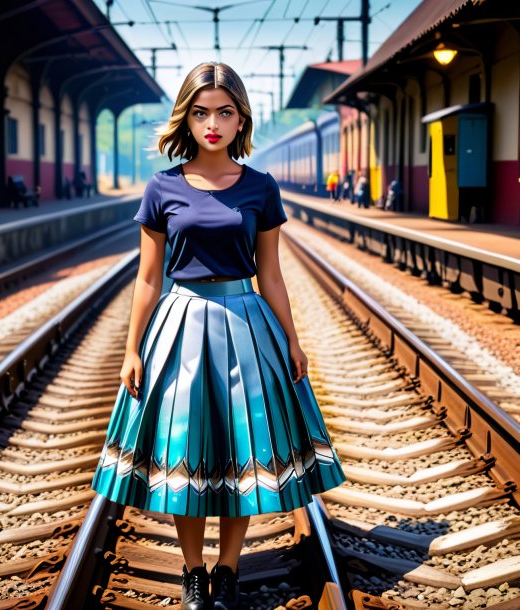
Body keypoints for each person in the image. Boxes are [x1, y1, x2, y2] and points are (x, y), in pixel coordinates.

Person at [91, 61, 346, 610]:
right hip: (179, 325)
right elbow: (147, 277)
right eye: (202, 112)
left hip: (246, 325)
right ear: (187, 117)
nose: (212, 123)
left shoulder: (261, 187)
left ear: (240, 119)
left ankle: (227, 572)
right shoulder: (162, 187)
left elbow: (271, 274)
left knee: (241, 454)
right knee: (183, 452)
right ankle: (192, 572)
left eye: (224, 112)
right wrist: (132, 348)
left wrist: (293, 341)